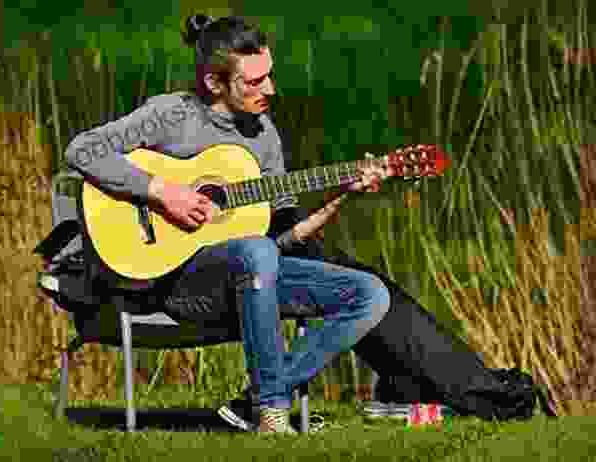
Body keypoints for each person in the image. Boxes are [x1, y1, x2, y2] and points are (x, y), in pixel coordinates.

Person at [65, 15, 536, 435]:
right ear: (214, 82)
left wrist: (340, 195)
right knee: (256, 252)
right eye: (254, 81)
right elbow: (81, 150)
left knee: (368, 292)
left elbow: (284, 239)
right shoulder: (172, 114)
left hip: (248, 273)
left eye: (270, 75)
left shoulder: (263, 135)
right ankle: (272, 411)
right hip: (175, 282)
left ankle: (254, 400)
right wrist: (161, 191)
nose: (270, 89)